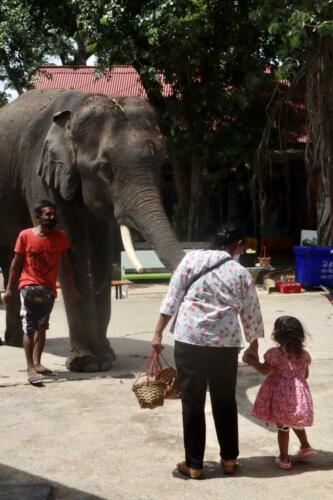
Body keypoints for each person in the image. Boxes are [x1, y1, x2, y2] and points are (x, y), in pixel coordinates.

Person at [151, 223, 264, 478]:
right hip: (225, 343)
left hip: (190, 338)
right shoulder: (240, 271)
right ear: (237, 246)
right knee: (224, 400)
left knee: (192, 402)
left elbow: (173, 297)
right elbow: (251, 310)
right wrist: (253, 344)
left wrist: (158, 332)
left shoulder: (191, 260)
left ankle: (194, 465)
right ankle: (229, 461)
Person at [4, 200, 80, 385]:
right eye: (48, 214)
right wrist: (9, 289)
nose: (52, 217)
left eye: (54, 214)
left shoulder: (60, 237)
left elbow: (67, 265)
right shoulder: (25, 236)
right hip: (28, 286)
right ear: (38, 217)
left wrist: (72, 289)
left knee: (42, 326)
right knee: (30, 327)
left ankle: (38, 363)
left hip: (48, 289)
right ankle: (30, 367)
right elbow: (16, 263)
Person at [246, 315, 316, 470]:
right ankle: (305, 446)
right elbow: (305, 375)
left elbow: (264, 370)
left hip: (280, 396)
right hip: (299, 395)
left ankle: (284, 458)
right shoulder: (304, 355)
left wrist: (252, 362)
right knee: (295, 421)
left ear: (276, 335)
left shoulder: (274, 354)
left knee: (283, 427)